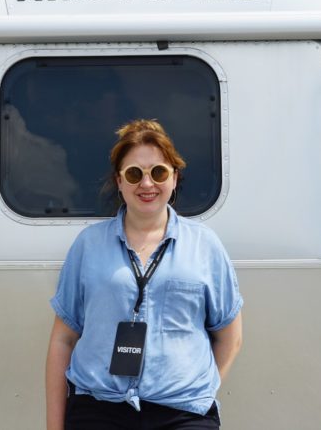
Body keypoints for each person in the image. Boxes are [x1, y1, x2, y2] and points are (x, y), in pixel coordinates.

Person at [45, 119, 243, 430]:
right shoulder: (88, 245)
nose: (147, 184)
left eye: (159, 172)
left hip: (182, 415)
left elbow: (230, 337)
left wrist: (194, 392)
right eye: (134, 174)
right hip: (99, 409)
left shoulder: (205, 246)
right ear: (119, 181)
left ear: (174, 178)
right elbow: (63, 339)